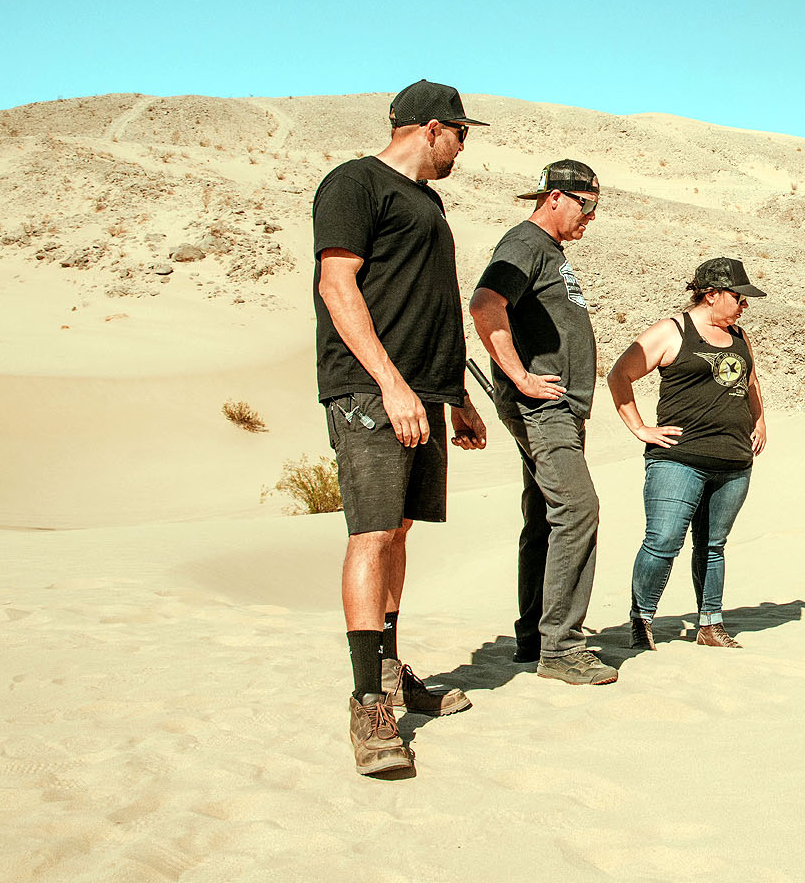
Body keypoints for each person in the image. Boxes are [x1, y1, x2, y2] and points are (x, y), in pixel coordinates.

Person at [314, 79, 491, 776]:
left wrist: (457, 395)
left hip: (422, 392)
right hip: (369, 390)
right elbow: (337, 285)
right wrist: (388, 383)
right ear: (429, 127)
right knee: (372, 532)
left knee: (401, 533)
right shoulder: (355, 184)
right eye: (460, 133)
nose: (463, 146)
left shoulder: (428, 200)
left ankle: (389, 674)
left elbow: (433, 305)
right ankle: (367, 705)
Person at [468, 159, 616, 686]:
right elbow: (486, 305)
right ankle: (562, 648)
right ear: (555, 196)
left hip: (557, 406)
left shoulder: (547, 250)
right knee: (578, 510)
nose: (591, 217)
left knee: (546, 515)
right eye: (587, 204)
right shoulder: (526, 243)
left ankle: (534, 635)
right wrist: (523, 378)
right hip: (543, 407)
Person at [605, 257, 767, 650]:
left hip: (732, 463)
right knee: (663, 541)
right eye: (738, 297)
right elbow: (619, 375)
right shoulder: (671, 331)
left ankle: (710, 624)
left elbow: (751, 381)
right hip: (679, 460)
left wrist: (760, 422)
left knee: (713, 546)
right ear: (711, 295)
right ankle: (641, 621)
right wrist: (640, 427)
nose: (744, 305)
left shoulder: (741, 336)